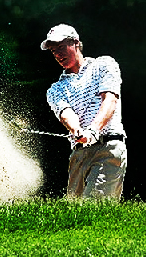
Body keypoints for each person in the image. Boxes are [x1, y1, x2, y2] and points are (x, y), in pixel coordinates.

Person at [41, 24, 127, 199]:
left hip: (107, 148)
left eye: (61, 47)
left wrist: (94, 130)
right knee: (75, 215)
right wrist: (77, 130)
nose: (57, 54)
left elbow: (110, 100)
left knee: (94, 208)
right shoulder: (55, 89)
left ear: (76, 43)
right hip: (79, 154)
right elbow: (66, 113)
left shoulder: (104, 65)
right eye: (53, 50)